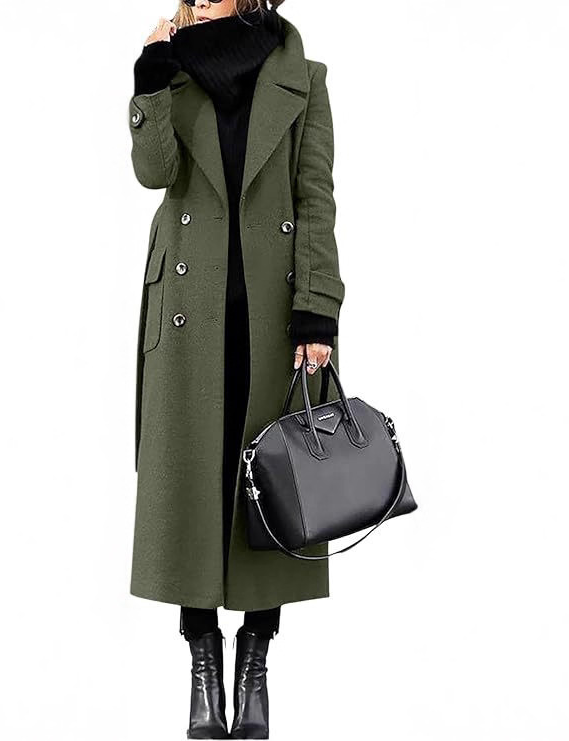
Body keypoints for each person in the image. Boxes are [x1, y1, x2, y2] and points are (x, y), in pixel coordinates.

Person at [128, 0, 345, 736]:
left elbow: (315, 198)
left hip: (273, 312)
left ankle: (254, 661)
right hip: (187, 311)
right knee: (190, 483)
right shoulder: (172, 72)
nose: (193, 5)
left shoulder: (303, 78)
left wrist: (317, 308)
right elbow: (154, 173)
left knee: (274, 486)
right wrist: (150, 80)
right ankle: (202, 662)